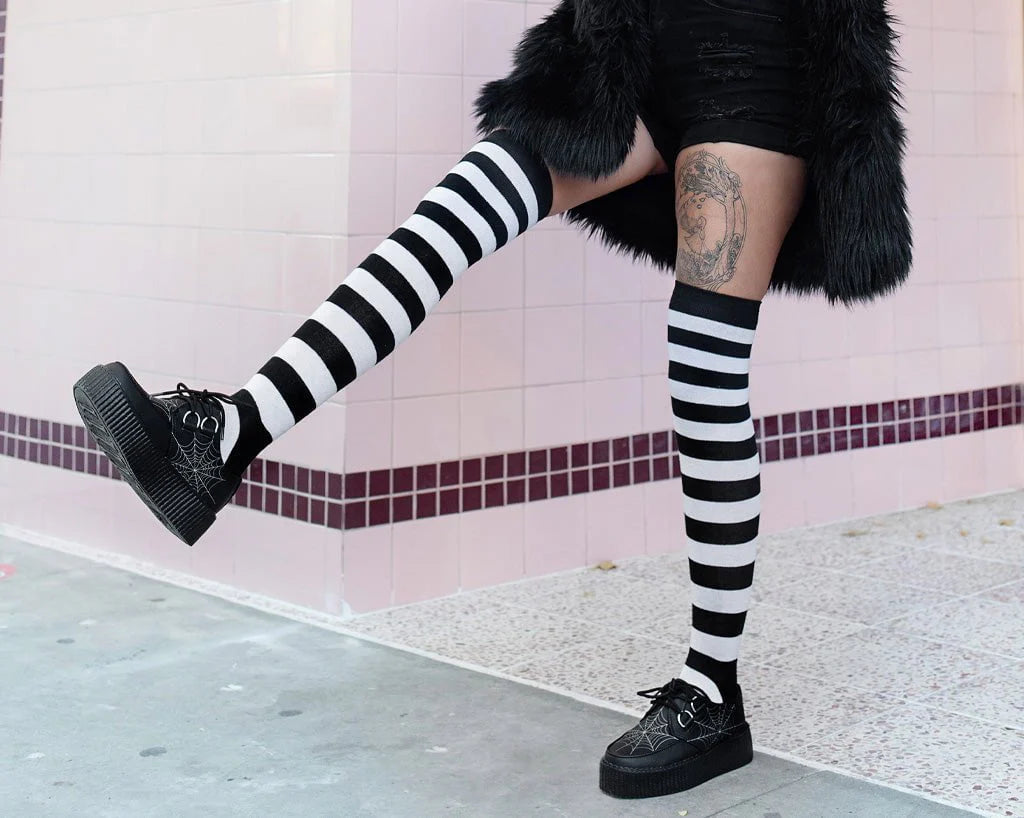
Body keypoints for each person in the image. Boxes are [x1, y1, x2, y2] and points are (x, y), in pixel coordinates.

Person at [72, 0, 910, 801]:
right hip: (623, 68)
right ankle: (228, 436)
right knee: (451, 215)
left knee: (704, 370)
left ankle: (712, 690)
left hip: (755, 82)